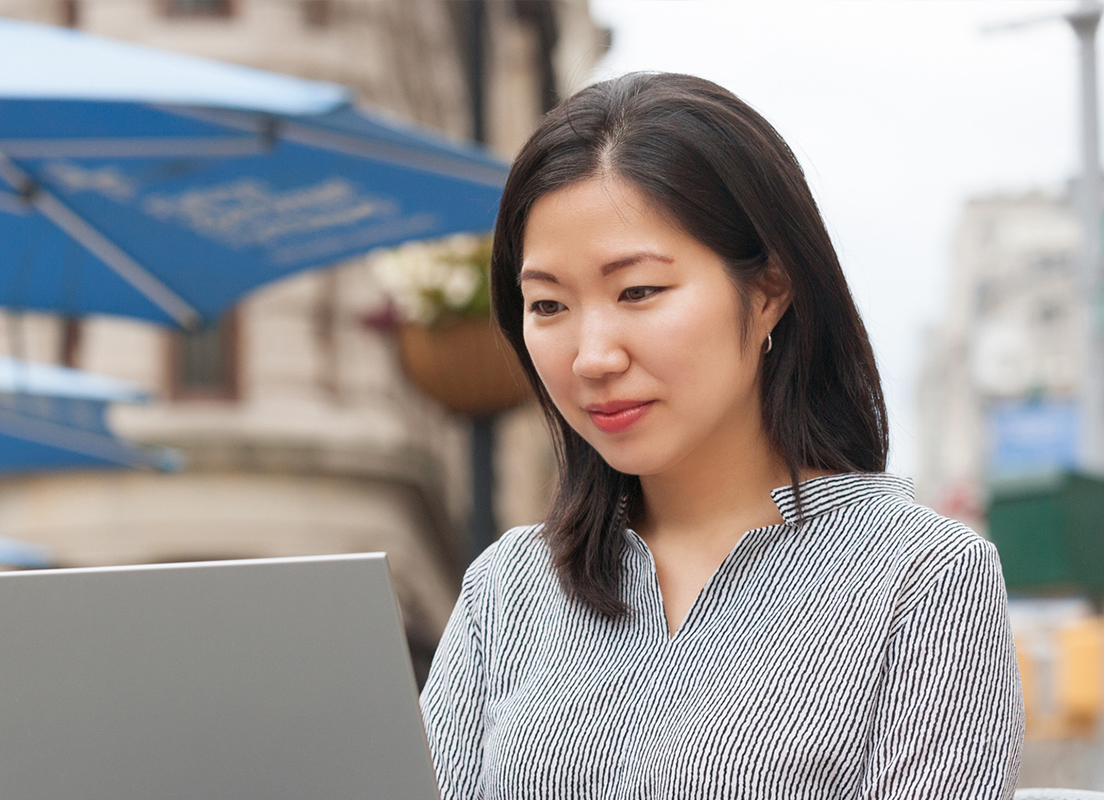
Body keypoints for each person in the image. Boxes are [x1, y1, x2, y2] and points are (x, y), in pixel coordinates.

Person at [419, 72, 1023, 798]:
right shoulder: (509, 589)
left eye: (638, 291)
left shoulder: (922, 579)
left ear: (769, 289)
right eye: (548, 305)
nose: (592, 356)